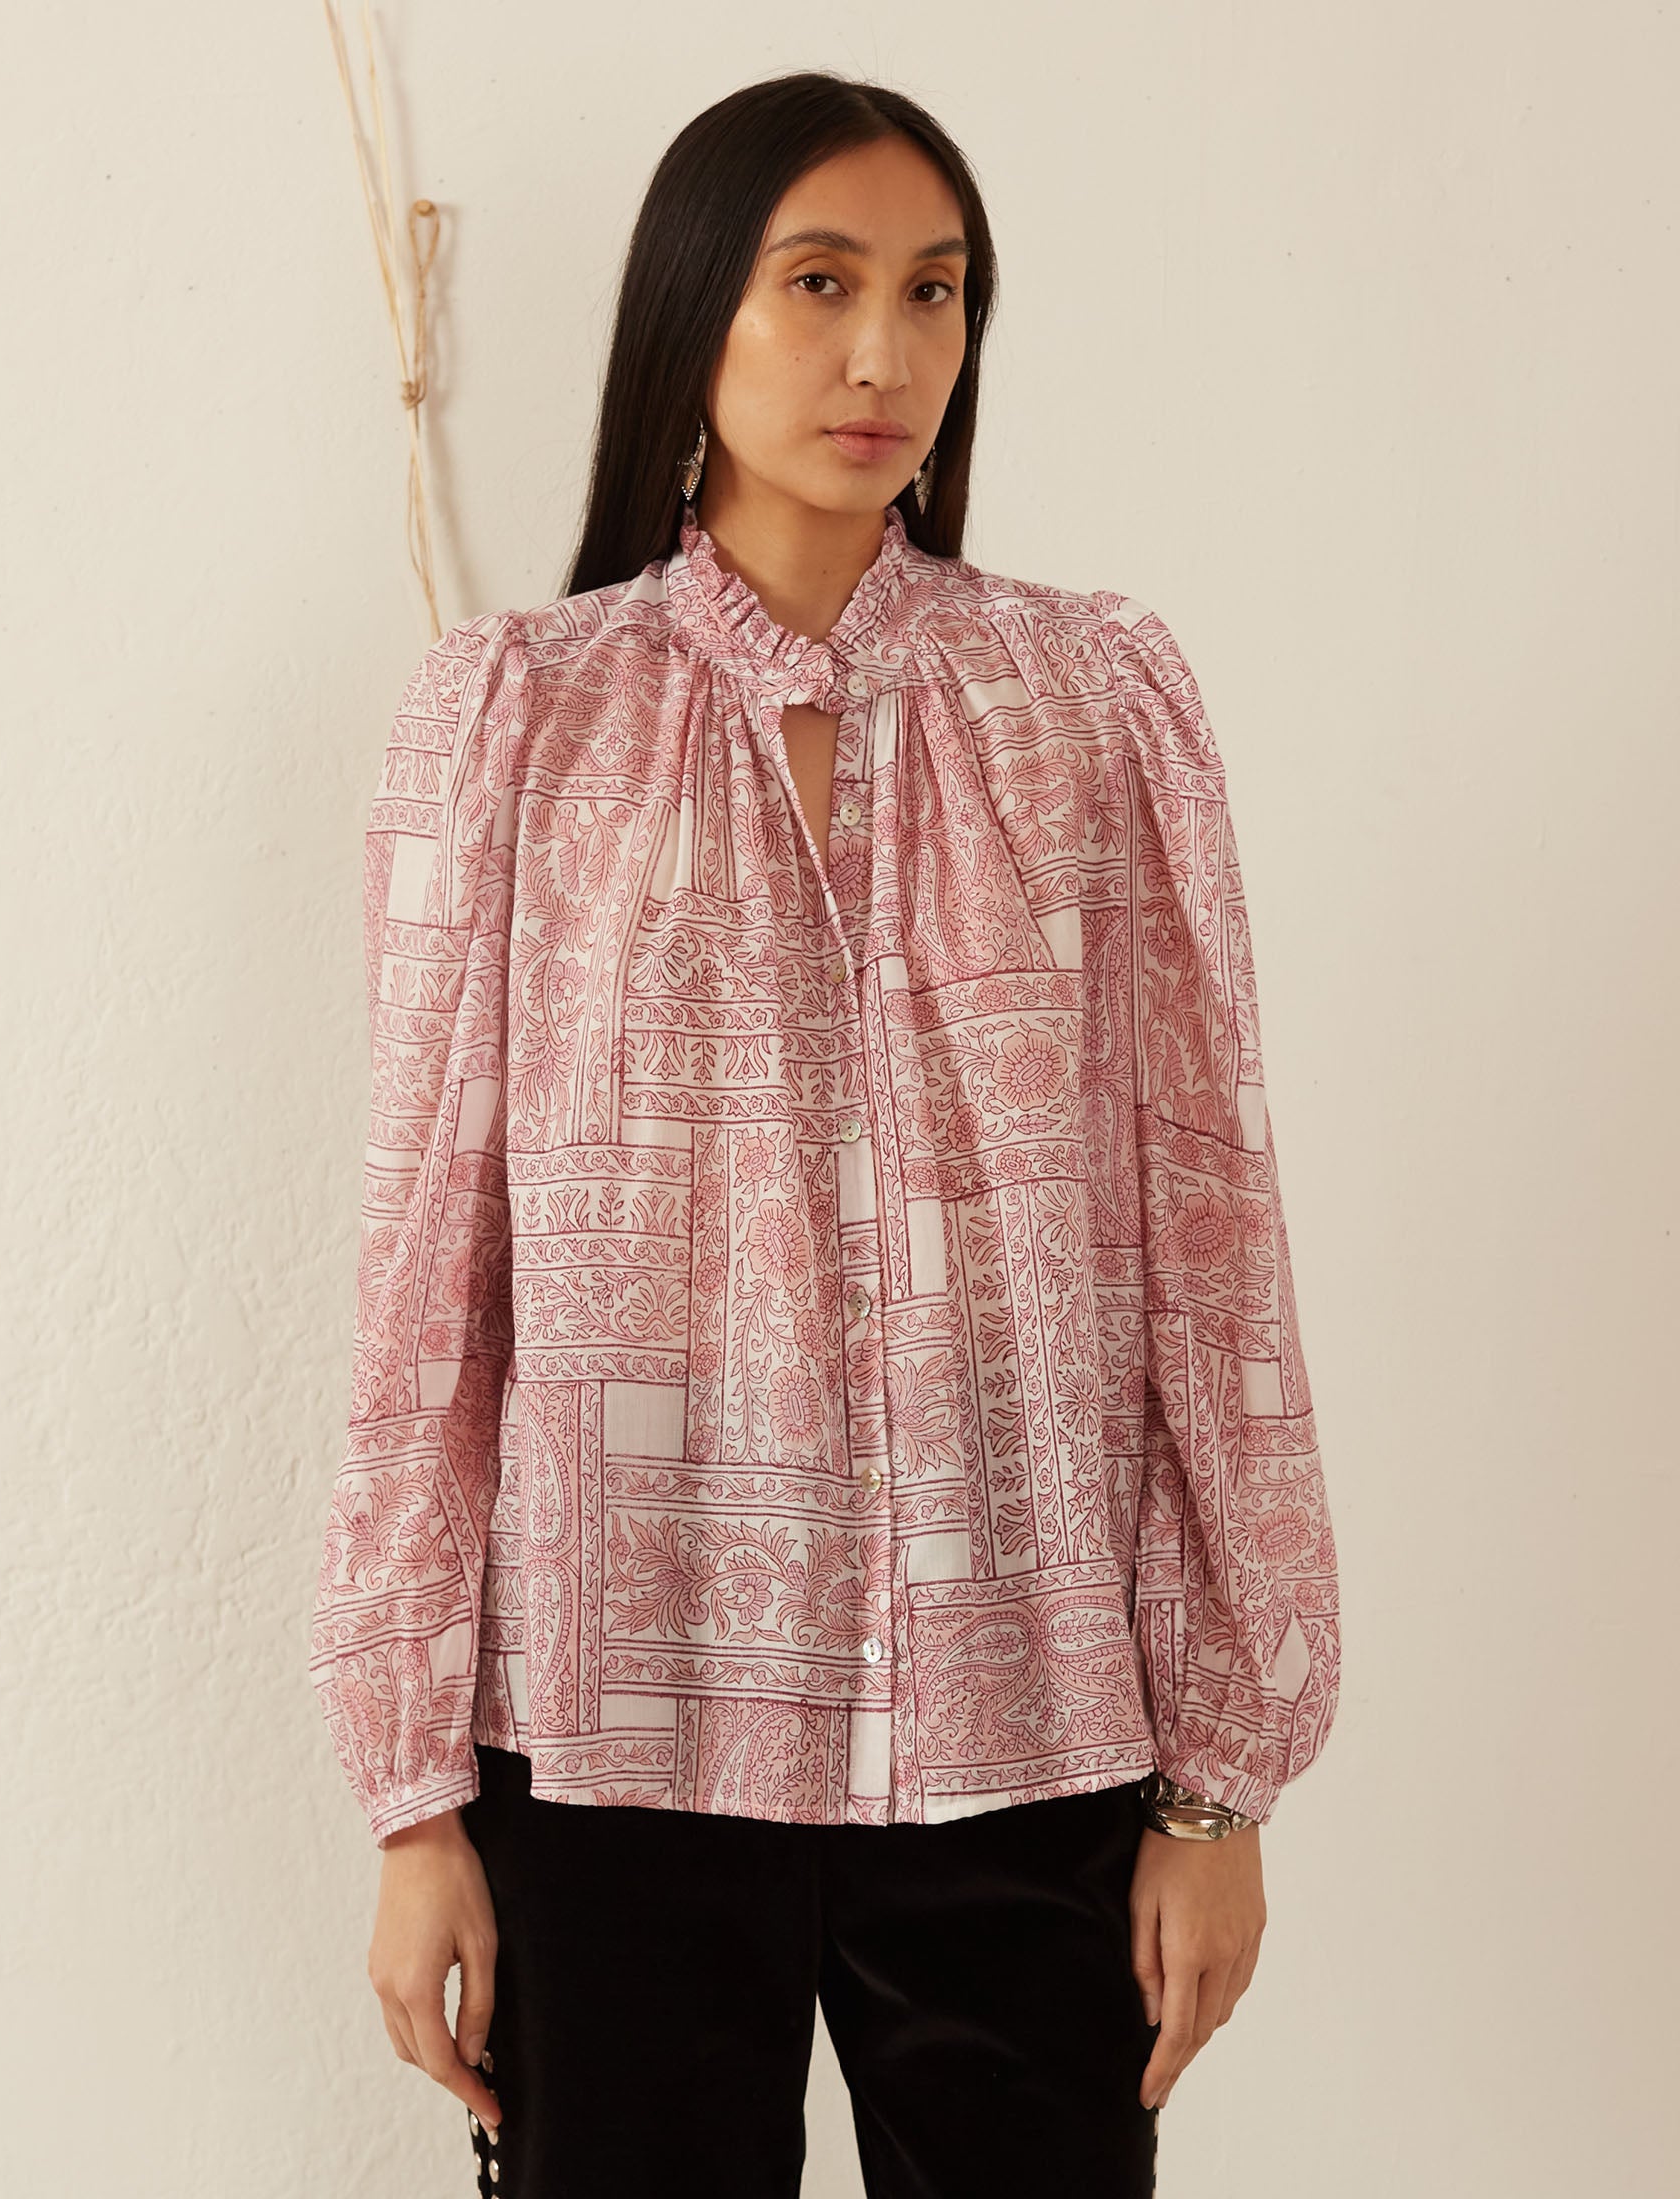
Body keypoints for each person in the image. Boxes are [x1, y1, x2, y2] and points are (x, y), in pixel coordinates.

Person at [309, 68, 1340, 2199]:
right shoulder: (521, 713)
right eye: (818, 284)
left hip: (1031, 1733)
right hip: (611, 1744)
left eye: (935, 293)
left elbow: (1208, 1230)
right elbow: (432, 1270)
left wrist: (1219, 1791)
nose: (886, 355)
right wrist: (416, 1802)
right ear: (695, 308)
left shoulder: (1093, 703)